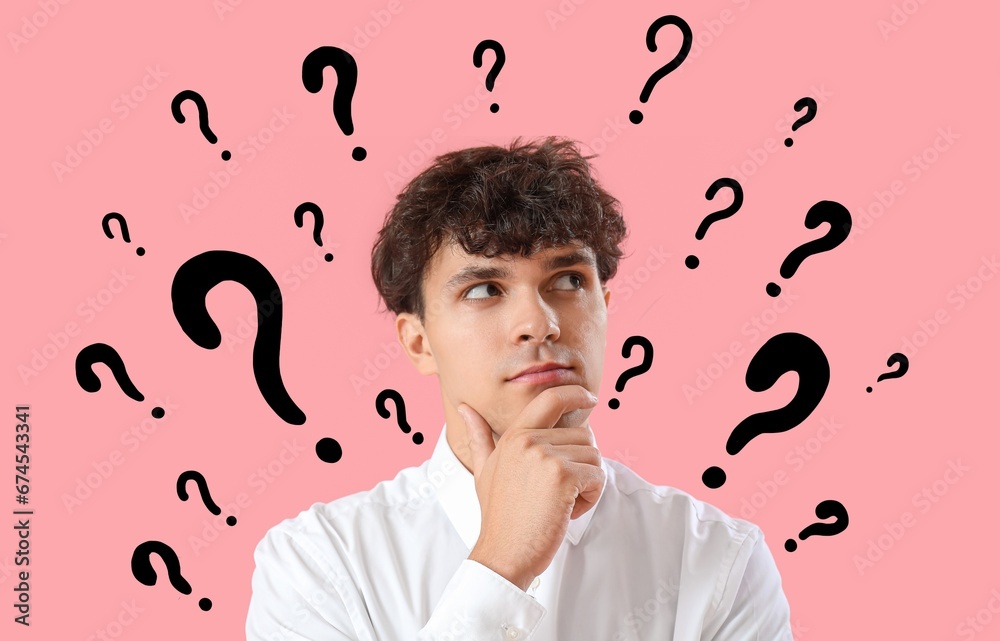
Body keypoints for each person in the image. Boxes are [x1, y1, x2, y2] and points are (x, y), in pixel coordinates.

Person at [246, 137, 793, 640]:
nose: (541, 322)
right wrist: (501, 563)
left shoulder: (719, 559)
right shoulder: (317, 562)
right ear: (419, 343)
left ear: (605, 306)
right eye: (485, 289)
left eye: (569, 281)